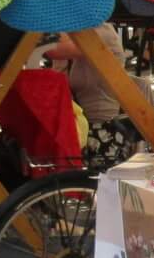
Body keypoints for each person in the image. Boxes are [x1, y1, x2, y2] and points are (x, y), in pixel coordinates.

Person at [40, 23, 143, 171]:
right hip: (72, 126)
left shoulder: (102, 33)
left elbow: (53, 50)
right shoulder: (67, 31)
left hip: (101, 131)